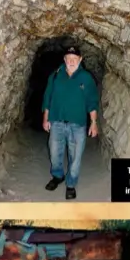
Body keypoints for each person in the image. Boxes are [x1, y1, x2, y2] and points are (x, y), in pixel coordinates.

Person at [42, 45, 100, 200]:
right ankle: (57, 176)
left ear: (80, 59)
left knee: (76, 156)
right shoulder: (55, 75)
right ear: (64, 59)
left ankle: (71, 184)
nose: (72, 61)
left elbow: (92, 101)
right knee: (54, 152)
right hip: (57, 121)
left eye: (75, 58)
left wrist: (94, 122)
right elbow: (48, 97)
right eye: (69, 58)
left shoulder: (86, 78)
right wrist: (45, 117)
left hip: (78, 124)